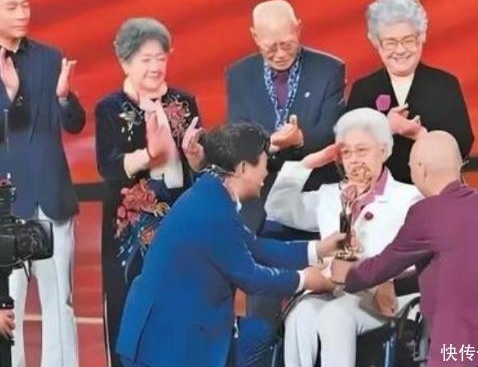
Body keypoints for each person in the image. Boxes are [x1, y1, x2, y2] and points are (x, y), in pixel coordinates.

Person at [116, 123, 343, 367]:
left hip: (174, 325)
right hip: (163, 344)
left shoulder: (212, 193)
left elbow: (254, 247)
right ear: (243, 167)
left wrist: (319, 249)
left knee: (259, 333)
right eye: (263, 164)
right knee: (258, 336)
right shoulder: (214, 210)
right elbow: (251, 277)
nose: (265, 173)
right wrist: (304, 279)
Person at [337, 131, 478, 367]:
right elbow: (464, 271)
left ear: (421, 169)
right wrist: (396, 287)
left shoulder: (427, 213)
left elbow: (379, 268)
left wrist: (344, 273)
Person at [265, 108, 422, 367]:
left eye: (362, 150)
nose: (354, 160)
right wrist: (308, 164)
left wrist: (366, 271)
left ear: (384, 150)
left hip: (386, 296)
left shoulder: (408, 198)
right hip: (334, 291)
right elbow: (278, 208)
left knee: (335, 316)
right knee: (300, 314)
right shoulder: (331, 196)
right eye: (346, 153)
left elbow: (417, 260)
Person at [227, 0, 345, 323]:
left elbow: (333, 131)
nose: (280, 53)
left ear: (299, 28)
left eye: (287, 44)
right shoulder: (239, 75)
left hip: (310, 208)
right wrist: (272, 143)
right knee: (262, 317)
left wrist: (301, 139)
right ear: (255, 37)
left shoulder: (328, 70)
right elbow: (238, 137)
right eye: (270, 47)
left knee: (318, 313)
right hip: (262, 210)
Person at [95, 17, 204, 367]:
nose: (156, 66)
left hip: (180, 221)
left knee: (180, 307)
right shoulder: (110, 109)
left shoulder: (184, 102)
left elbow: (201, 166)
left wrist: (196, 157)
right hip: (129, 228)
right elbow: (108, 166)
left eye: (161, 57)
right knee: (129, 308)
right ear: (124, 62)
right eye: (146, 59)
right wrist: (149, 155)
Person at [0, 0, 85, 367]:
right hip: (7, 205)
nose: (23, 13)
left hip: (52, 196)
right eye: (12, 7)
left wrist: (65, 98)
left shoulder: (50, 58)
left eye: (26, 5)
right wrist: (10, 94)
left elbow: (74, 123)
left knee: (59, 302)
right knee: (8, 304)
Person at [346, 0, 474, 184]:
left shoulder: (445, 85)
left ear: (422, 36)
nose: (400, 50)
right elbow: (349, 151)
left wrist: (420, 135)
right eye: (390, 42)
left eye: (408, 40)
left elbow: (462, 146)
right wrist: (385, 128)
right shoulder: (363, 90)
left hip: (434, 191)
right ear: (375, 41)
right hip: (378, 195)